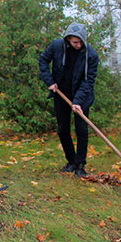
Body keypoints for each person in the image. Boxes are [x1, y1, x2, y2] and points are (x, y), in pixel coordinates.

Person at [38, 22, 98, 177]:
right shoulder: (57, 46)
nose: (77, 45)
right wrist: (49, 81)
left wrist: (78, 101)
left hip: (82, 95)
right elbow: (43, 60)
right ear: (68, 40)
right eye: (74, 42)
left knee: (82, 129)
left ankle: (80, 164)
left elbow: (88, 81)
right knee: (63, 129)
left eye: (80, 42)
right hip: (61, 93)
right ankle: (71, 161)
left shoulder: (90, 55)